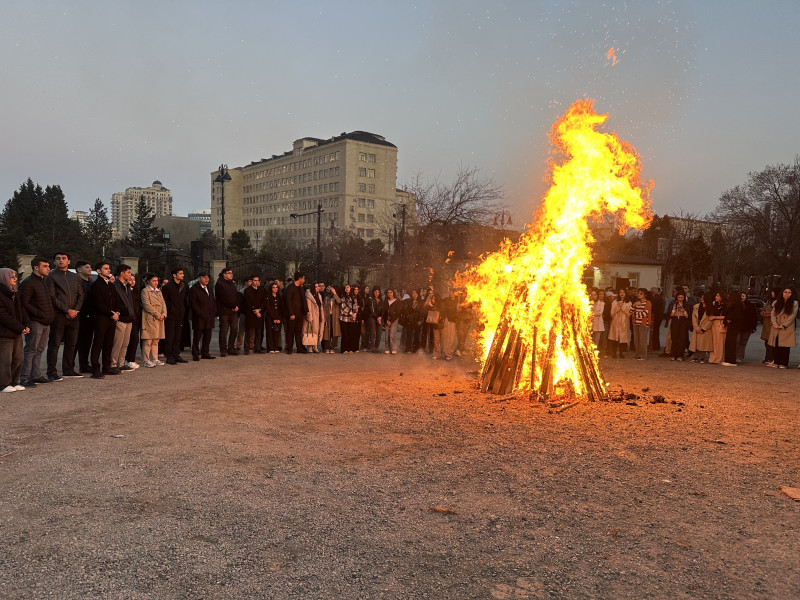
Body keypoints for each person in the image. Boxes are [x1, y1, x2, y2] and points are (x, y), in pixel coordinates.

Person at [45, 251, 84, 381]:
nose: (61, 260)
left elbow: (81, 295)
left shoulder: (75, 277)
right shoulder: (51, 276)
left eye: (64, 258)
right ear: (54, 262)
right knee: (54, 344)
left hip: (74, 316)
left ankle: (68, 369)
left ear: (69, 261)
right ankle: (52, 372)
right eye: (58, 258)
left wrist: (75, 310)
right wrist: (67, 310)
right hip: (58, 315)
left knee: (71, 344)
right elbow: (52, 297)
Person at [19, 256, 55, 386]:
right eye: (45, 266)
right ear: (36, 267)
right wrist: (39, 314)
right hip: (35, 321)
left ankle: (36, 375)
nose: (48, 268)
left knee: (39, 349)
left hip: (46, 321)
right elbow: (24, 303)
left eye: (48, 266)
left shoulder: (43, 281)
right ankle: (24, 377)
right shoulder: (28, 283)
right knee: (31, 349)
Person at [0, 268, 29, 392]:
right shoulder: (2, 294)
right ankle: (3, 384)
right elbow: (2, 315)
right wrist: (20, 327)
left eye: (15, 277)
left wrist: (26, 324)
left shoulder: (14, 293)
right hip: (4, 332)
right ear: (4, 278)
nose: (15, 279)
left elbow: (21, 310)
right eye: (12, 277)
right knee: (5, 360)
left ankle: (14, 381)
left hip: (17, 331)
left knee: (18, 358)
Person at [89, 261, 119, 378]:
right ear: (99, 271)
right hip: (101, 318)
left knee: (108, 343)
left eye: (109, 268)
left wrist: (117, 312)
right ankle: (95, 369)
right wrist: (111, 313)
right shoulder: (96, 285)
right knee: (98, 343)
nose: (109, 270)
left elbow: (116, 301)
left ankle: (107, 367)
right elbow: (98, 303)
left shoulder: (111, 285)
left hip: (112, 319)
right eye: (106, 268)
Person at [161, 267, 188, 365]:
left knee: (178, 337)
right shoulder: (168, 286)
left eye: (182, 273)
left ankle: (176, 355)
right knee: (170, 337)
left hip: (180, 315)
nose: (183, 275)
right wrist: (168, 312)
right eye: (180, 273)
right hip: (171, 316)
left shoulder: (183, 285)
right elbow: (164, 301)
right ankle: (169, 356)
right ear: (174, 275)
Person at [140, 273, 166, 367]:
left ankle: (155, 358)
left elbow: (163, 304)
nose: (155, 283)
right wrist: (158, 314)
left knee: (156, 340)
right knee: (148, 340)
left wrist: (163, 314)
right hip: (150, 318)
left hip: (159, 319)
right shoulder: (145, 291)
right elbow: (147, 305)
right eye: (153, 281)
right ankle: (146, 360)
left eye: (156, 281)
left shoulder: (159, 291)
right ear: (148, 281)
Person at [189, 272, 217, 360]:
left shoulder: (209, 288)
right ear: (199, 278)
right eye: (204, 277)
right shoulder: (194, 288)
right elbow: (192, 303)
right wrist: (199, 312)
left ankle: (205, 352)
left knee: (207, 336)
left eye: (207, 277)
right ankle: (195, 354)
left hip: (209, 316)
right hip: (199, 317)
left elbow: (213, 301)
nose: (206, 279)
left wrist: (214, 312)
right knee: (197, 336)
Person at [769, 287, 797, 369]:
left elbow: (792, 316)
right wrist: (774, 324)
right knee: (776, 344)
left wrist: (784, 325)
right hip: (776, 326)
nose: (787, 294)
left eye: (789, 292)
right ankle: (776, 361)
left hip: (786, 327)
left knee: (785, 346)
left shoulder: (794, 303)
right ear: (782, 293)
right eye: (785, 292)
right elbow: (773, 314)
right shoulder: (776, 302)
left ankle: (784, 363)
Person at [75, 260, 94, 374]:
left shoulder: (91, 282)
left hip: (90, 316)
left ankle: (85, 364)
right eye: (87, 267)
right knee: (78, 342)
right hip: (80, 315)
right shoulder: (77, 283)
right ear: (79, 269)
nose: (90, 269)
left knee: (87, 342)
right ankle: (72, 367)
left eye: (90, 267)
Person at [215, 268, 240, 357]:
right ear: (224, 274)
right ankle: (223, 349)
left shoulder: (232, 283)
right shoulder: (219, 284)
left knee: (235, 329)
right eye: (229, 273)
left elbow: (236, 295)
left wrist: (237, 305)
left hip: (233, 311)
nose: (231, 274)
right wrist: (233, 306)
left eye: (231, 273)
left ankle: (231, 347)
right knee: (224, 331)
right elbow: (222, 298)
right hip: (224, 311)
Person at [242, 275, 267, 354]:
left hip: (259, 313)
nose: (256, 282)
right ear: (252, 281)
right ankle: (246, 349)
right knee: (248, 332)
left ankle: (257, 348)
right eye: (255, 280)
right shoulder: (247, 290)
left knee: (259, 332)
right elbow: (247, 302)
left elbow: (264, 301)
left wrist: (259, 310)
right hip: (250, 313)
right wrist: (254, 310)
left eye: (257, 280)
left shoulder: (262, 290)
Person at [284, 272, 308, 354]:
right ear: (300, 278)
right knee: (290, 332)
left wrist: (307, 311)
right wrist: (291, 313)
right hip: (292, 314)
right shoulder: (290, 288)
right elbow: (288, 301)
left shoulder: (301, 288)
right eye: (303, 278)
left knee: (298, 332)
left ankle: (299, 348)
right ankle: (289, 348)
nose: (304, 280)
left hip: (300, 314)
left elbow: (303, 300)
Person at [124, 273, 142, 370]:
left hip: (137, 317)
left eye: (134, 279)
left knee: (135, 339)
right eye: (130, 279)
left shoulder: (136, 291)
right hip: (128, 318)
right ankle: (129, 360)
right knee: (131, 339)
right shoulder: (125, 291)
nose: (132, 281)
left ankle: (131, 359)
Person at [721, 291, 744, 367]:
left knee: (731, 343)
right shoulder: (734, 304)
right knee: (728, 342)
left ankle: (731, 360)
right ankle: (728, 359)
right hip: (732, 325)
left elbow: (737, 315)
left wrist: (730, 319)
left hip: (734, 325)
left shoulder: (737, 304)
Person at [689, 293, 714, 363]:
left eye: (703, 297)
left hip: (705, 328)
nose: (701, 299)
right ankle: (695, 357)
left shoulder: (710, 308)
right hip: (697, 326)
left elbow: (710, 320)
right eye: (701, 297)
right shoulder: (696, 306)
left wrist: (703, 328)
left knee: (703, 344)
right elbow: (693, 317)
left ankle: (702, 357)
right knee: (696, 343)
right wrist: (696, 327)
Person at [607, 289, 631, 359]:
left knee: (622, 338)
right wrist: (618, 307)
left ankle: (621, 353)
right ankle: (614, 353)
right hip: (616, 322)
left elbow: (628, 314)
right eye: (620, 292)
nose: (622, 294)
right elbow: (612, 314)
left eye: (623, 292)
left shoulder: (629, 303)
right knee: (615, 338)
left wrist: (622, 306)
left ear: (626, 293)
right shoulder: (614, 302)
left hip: (624, 322)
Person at [667, 291, 691, 361]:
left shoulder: (687, 305)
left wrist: (683, 311)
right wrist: (674, 310)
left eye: (682, 297)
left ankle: (680, 355)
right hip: (675, 320)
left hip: (683, 321)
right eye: (679, 297)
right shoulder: (673, 304)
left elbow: (688, 316)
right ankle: (673, 354)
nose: (680, 299)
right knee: (674, 338)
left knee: (682, 338)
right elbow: (670, 315)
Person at [631, 288, 652, 360]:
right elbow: (630, 311)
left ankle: (643, 355)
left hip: (643, 324)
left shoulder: (647, 303)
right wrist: (634, 305)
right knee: (636, 340)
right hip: (636, 323)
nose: (638, 295)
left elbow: (644, 314)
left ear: (645, 295)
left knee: (642, 340)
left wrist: (635, 313)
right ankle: (637, 354)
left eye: (641, 293)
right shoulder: (637, 302)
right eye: (638, 293)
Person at [760, 288, 780, 365]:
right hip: (766, 324)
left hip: (773, 324)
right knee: (766, 342)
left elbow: (777, 313)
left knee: (772, 342)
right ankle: (768, 357)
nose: (772, 293)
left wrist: (770, 314)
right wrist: (763, 313)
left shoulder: (778, 302)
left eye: (773, 292)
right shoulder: (768, 301)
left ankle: (771, 358)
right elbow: (762, 310)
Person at [737, 292, 758, 363]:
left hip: (747, 327)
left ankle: (740, 357)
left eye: (743, 296)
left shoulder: (750, 305)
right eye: (741, 296)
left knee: (743, 342)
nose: (742, 297)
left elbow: (754, 317)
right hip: (738, 327)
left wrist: (754, 327)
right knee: (737, 341)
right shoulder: (736, 304)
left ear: (746, 297)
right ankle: (735, 355)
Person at [339, 283, 360, 353]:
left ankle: (350, 348)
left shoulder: (353, 297)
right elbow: (344, 307)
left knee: (350, 334)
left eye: (348, 287)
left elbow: (356, 306)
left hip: (351, 319)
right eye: (345, 288)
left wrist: (355, 314)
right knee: (345, 334)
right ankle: (344, 349)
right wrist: (352, 314)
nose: (347, 289)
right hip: (344, 318)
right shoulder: (342, 297)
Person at [234, 276, 253, 353]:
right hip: (244, 313)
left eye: (251, 281)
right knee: (242, 330)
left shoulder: (254, 290)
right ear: (245, 282)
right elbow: (240, 303)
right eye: (249, 281)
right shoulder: (242, 292)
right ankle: (238, 345)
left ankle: (251, 345)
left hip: (252, 313)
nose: (250, 283)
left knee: (251, 331)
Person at [265, 281, 284, 353]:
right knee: (270, 332)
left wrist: (278, 318)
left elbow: (281, 308)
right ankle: (270, 348)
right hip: (270, 317)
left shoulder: (279, 297)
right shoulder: (268, 297)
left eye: (276, 287)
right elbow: (268, 308)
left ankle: (276, 347)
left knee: (277, 332)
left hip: (278, 317)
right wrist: (274, 318)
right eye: (273, 287)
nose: (275, 289)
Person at [403, 288, 423, 353]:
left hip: (417, 319)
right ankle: (408, 349)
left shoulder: (420, 301)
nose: (415, 295)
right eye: (413, 293)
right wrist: (412, 307)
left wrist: (420, 319)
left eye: (416, 293)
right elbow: (406, 310)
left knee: (417, 334)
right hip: (410, 319)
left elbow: (421, 312)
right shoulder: (409, 301)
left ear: (418, 294)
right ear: (411, 294)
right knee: (409, 334)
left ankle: (415, 348)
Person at [364, 286, 382, 353]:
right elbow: (371, 310)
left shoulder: (381, 300)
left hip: (380, 318)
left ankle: (377, 347)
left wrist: (380, 317)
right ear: (373, 292)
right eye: (375, 292)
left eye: (378, 292)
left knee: (379, 333)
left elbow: (383, 309)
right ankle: (372, 347)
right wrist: (377, 317)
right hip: (372, 317)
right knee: (372, 333)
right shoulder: (370, 299)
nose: (377, 293)